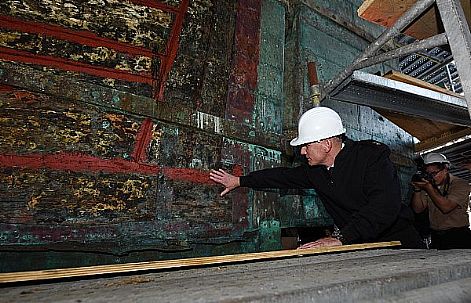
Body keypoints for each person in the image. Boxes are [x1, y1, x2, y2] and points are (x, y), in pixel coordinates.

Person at [210, 106, 424, 249]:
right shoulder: (316, 171)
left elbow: (383, 207)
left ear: (326, 144)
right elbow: (282, 177)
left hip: (398, 242)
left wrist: (340, 238)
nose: (303, 152)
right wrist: (239, 181)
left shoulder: (371, 158)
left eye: (306, 145)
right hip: (358, 244)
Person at [411, 152, 471, 249]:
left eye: (434, 173)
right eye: (428, 174)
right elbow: (418, 209)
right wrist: (417, 190)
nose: (431, 177)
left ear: (446, 169)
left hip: (458, 236)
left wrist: (429, 189)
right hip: (436, 237)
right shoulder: (428, 184)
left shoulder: (460, 184)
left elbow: (446, 207)